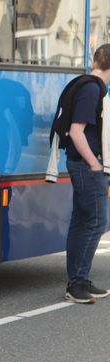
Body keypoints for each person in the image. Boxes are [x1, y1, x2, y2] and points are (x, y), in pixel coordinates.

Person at [60, 44, 110, 304]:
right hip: (86, 165)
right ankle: (77, 283)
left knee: (81, 221)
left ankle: (80, 279)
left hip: (81, 164)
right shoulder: (92, 89)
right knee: (97, 221)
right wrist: (94, 164)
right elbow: (76, 131)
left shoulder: (85, 84)